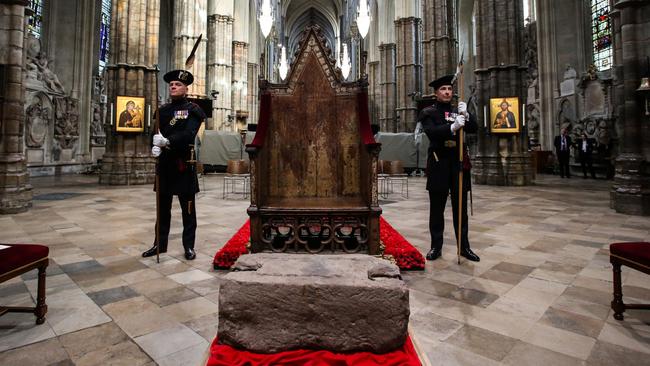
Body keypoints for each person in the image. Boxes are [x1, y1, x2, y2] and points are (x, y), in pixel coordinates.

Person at [142, 69, 206, 260]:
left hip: (183, 165)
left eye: (177, 84)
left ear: (186, 88)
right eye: (171, 84)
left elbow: (189, 134)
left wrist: (167, 142)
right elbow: (153, 133)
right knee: (162, 211)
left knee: (188, 210)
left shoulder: (194, 110)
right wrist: (153, 145)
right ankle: (159, 245)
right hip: (165, 166)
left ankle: (189, 246)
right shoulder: (161, 111)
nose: (173, 87)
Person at [417, 74, 480, 262]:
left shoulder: (458, 111)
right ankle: (436, 247)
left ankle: (464, 247)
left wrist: (467, 115)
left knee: (460, 209)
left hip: (458, 164)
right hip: (439, 163)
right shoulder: (428, 112)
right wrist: (452, 128)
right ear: (436, 93)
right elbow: (432, 133)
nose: (447, 92)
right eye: (443, 89)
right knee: (437, 209)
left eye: (449, 89)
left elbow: (474, 128)